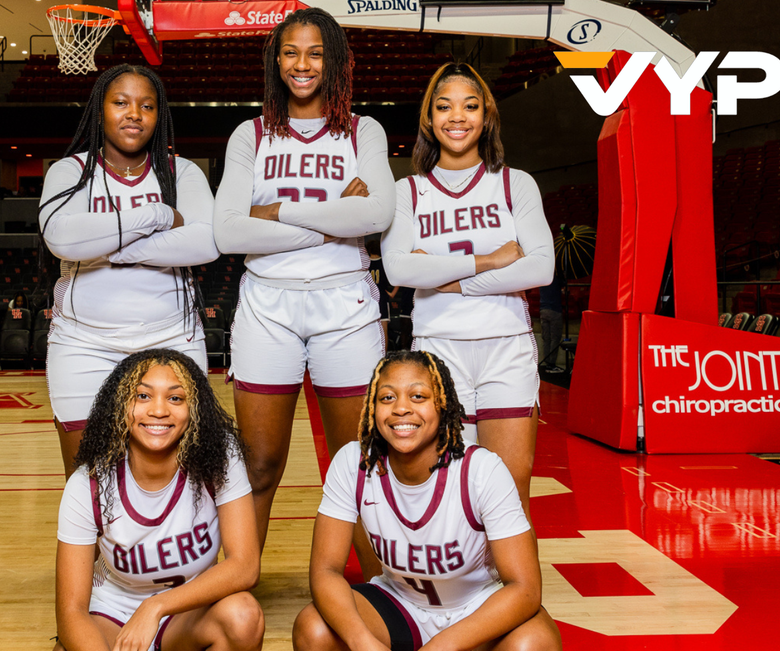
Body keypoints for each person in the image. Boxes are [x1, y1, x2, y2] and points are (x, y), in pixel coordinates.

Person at [292, 350, 562, 651]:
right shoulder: (354, 463)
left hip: (476, 603)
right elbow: (325, 570)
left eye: (418, 396)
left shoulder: (480, 469)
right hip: (402, 602)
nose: (401, 409)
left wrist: (442, 649)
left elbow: (526, 588)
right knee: (314, 633)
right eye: (387, 397)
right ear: (371, 408)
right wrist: (362, 643)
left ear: (443, 405)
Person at [212, 8, 395, 560]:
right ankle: (236, 584)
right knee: (259, 464)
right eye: (291, 52)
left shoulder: (363, 130)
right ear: (276, 61)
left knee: (357, 461)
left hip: (347, 303)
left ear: (334, 61)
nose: (303, 64)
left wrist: (272, 212)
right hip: (267, 306)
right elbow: (227, 230)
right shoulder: (250, 134)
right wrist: (336, 215)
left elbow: (378, 214)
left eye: (316, 53)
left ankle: (382, 589)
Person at [41, 349, 263, 651]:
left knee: (243, 616)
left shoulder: (219, 460)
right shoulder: (89, 483)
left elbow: (244, 566)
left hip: (184, 616)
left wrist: (156, 606)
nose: (158, 410)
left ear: (194, 409)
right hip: (113, 620)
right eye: (142, 396)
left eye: (175, 398)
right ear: (120, 406)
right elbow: (70, 612)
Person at [382, 62, 553, 523]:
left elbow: (541, 267)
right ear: (429, 118)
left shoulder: (515, 183)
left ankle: (512, 574)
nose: (457, 117)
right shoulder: (408, 191)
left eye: (470, 106)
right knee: (446, 487)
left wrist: (445, 278)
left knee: (510, 490)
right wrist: (491, 261)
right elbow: (398, 268)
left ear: (486, 115)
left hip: (505, 348)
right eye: (444, 106)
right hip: (438, 351)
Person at [40, 64, 217, 479]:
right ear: (100, 109)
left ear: (159, 115)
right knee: (88, 479)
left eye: (147, 106)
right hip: (83, 344)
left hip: (172, 339)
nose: (134, 114)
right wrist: (158, 215)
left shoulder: (182, 172)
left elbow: (205, 243)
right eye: (121, 102)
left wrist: (107, 247)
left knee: (178, 477)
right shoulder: (70, 171)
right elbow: (62, 239)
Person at [538, 258, 566, 374]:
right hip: (555, 310)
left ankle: (546, 362)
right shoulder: (557, 277)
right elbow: (564, 289)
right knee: (555, 338)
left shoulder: (542, 277)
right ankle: (552, 364)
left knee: (546, 338)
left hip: (543, 310)